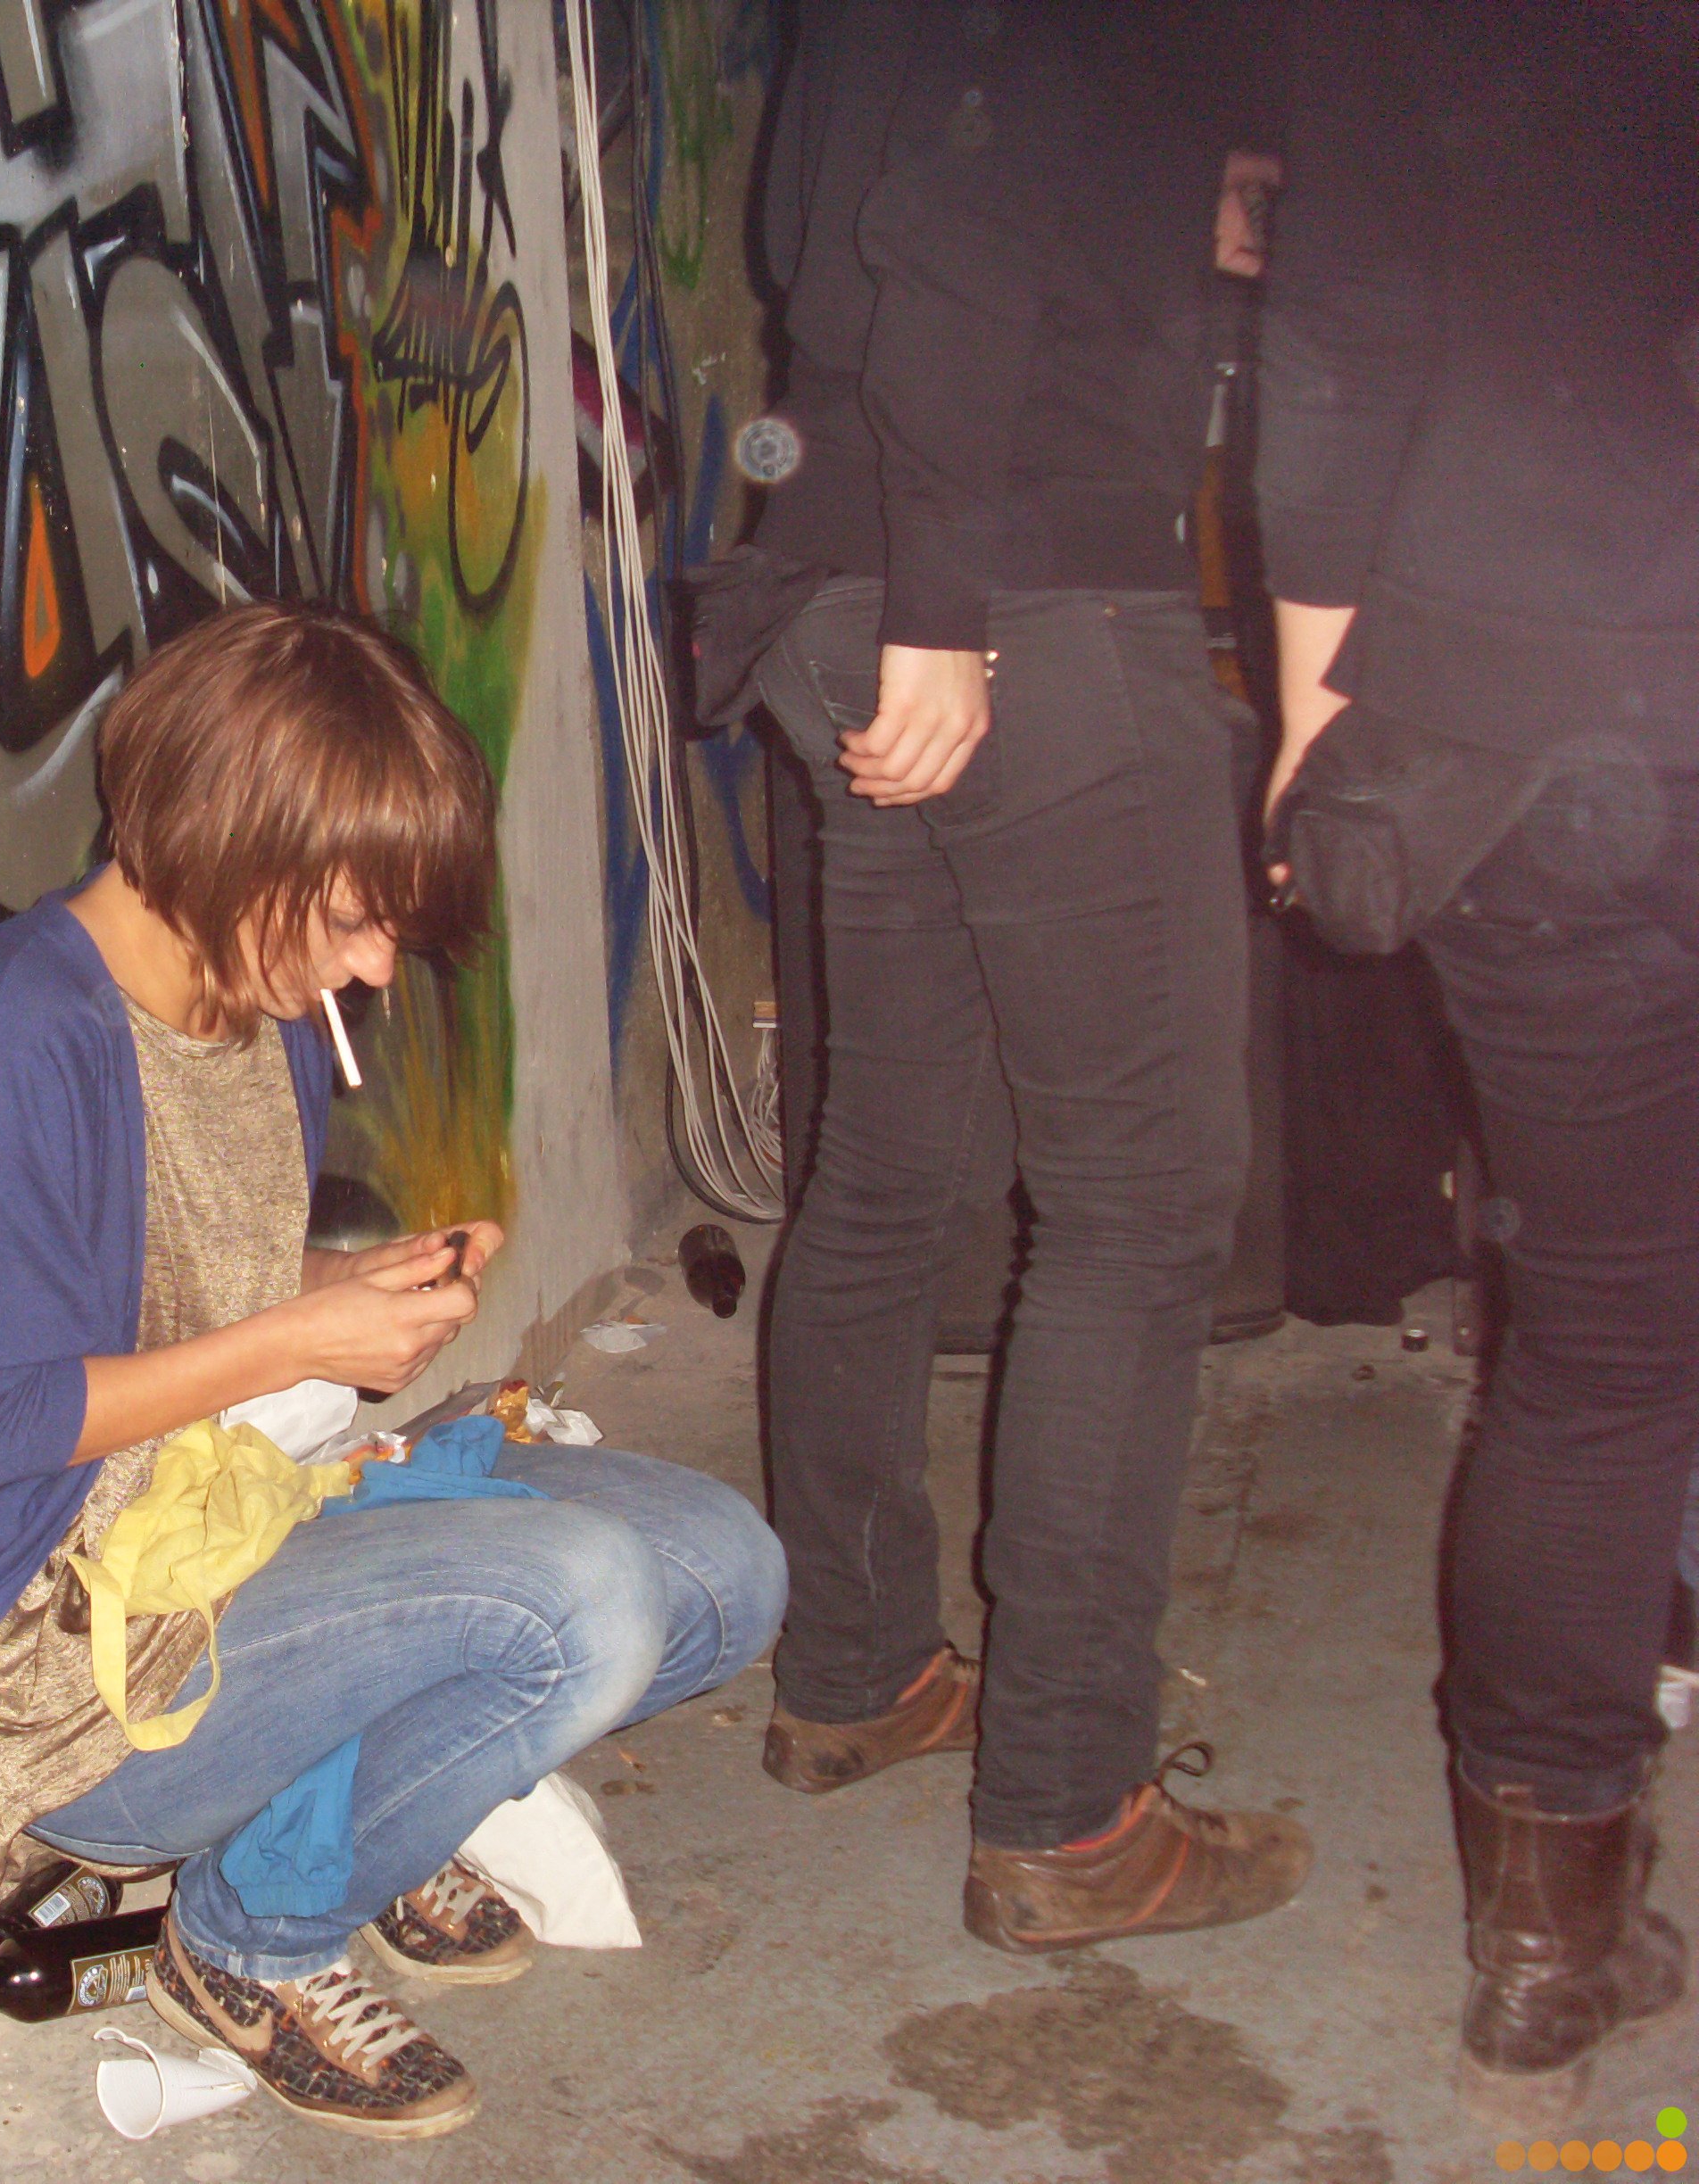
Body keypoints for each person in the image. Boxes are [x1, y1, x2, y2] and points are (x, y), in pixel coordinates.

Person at [0, 601, 785, 2139]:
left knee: (728, 1571)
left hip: (227, 1515)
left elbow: (172, 1294)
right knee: (588, 1600)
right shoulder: (23, 1033)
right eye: (352, 918)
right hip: (65, 1654)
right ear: (229, 840)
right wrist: (295, 1342)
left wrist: (352, 1284)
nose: (374, 965)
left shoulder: (257, 1007)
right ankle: (250, 1940)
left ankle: (359, 1819)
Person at [741, 0, 1309, 1949]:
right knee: (1139, 1207)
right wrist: (947, 608)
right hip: (1014, 609)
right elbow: (956, 235)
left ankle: (858, 1674)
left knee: (889, 1172)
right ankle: (1073, 1814)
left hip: (849, 583)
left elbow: (846, 231)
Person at [1257, 1, 1699, 2125]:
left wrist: (1306, 731)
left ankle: (1545, 1942)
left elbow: (1333, 375)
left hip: (1516, 731)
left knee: (1595, 1346)